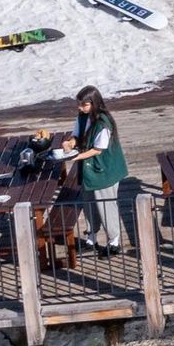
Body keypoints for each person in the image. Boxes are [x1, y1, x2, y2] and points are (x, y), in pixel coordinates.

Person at [70, 87, 129, 256]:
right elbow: (76, 135)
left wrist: (77, 157)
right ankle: (91, 237)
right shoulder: (82, 117)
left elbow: (98, 149)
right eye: (79, 104)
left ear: (94, 103)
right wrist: (70, 142)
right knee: (88, 202)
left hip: (104, 170)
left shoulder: (103, 123)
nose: (80, 108)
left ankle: (114, 241)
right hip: (89, 170)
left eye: (84, 105)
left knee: (105, 205)